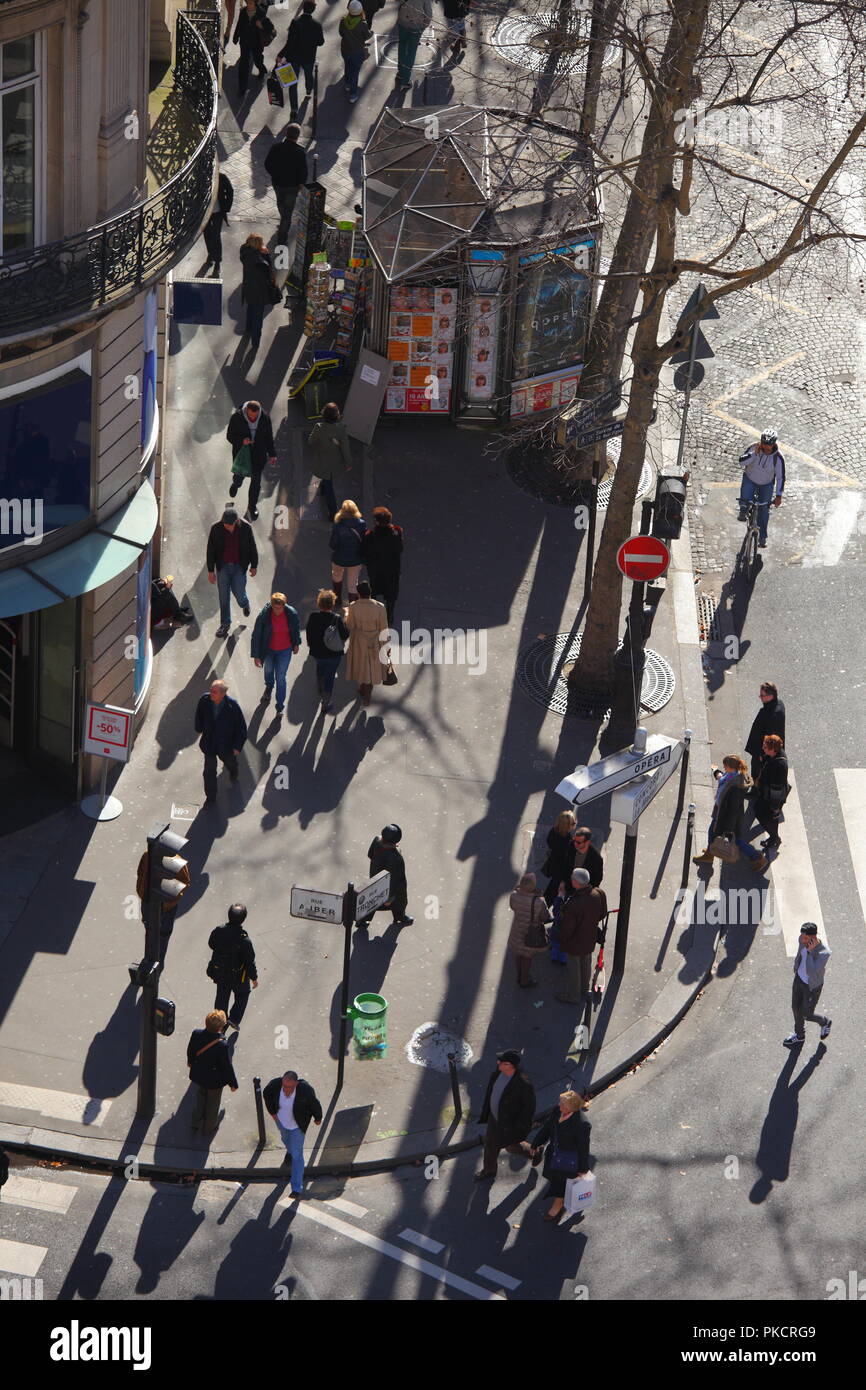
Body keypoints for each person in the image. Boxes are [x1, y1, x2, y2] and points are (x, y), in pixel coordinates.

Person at [693, 755, 767, 872]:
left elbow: (732, 808)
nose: (724, 767)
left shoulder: (736, 787)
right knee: (714, 833)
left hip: (726, 817)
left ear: (731, 767)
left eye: (725, 766)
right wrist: (717, 773)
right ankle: (709, 853)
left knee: (735, 840)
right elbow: (724, 779)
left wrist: (728, 826)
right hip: (721, 812)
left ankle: (757, 857)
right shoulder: (733, 776)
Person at [529, 1091, 591, 1222]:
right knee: (555, 1178)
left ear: (571, 1107)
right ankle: (561, 1198)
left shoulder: (582, 1124)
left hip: (569, 1159)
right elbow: (547, 1128)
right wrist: (536, 1143)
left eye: (562, 1104)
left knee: (561, 1181)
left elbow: (583, 1148)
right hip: (554, 1154)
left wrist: (583, 1168)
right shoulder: (557, 1111)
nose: (559, 1105)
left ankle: (558, 1204)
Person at [474, 1051, 536, 1181]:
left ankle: (534, 1152)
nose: (498, 1063)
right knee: (491, 1145)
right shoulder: (497, 1074)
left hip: (509, 1124)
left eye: (501, 1062)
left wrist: (519, 1128)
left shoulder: (523, 1084)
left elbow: (528, 1109)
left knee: (511, 1146)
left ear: (509, 1065)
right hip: (495, 1118)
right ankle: (489, 1170)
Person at [263, 1070, 323, 1195]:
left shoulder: (305, 1090)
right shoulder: (275, 1085)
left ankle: (296, 1187)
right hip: (282, 1122)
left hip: (297, 1126)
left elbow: (315, 1105)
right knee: (285, 1139)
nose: (285, 1089)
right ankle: (289, 1151)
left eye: (289, 1087)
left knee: (297, 1155)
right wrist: (273, 1113)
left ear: (296, 1084)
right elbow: (266, 1094)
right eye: (284, 1086)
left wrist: (318, 1118)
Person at [206, 505, 258, 638]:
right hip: (222, 567)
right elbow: (211, 550)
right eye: (225, 524)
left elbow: (252, 546)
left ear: (236, 522)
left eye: (229, 525)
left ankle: (244, 603)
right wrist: (211, 570)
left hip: (239, 567)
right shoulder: (216, 528)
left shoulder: (246, 528)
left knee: (239, 593)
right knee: (224, 597)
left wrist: (254, 565)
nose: (227, 527)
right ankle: (225, 624)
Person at [556, 869, 607, 1004]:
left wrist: (562, 938)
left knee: (574, 968)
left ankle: (573, 996)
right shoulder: (598, 894)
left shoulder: (574, 903)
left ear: (576, 882)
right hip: (589, 936)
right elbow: (602, 914)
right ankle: (585, 989)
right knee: (586, 962)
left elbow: (568, 927)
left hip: (575, 941)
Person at [207, 904, 259, 1033]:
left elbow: (211, 944)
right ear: (243, 919)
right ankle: (234, 1019)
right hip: (239, 977)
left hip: (220, 973)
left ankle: (219, 1026)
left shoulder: (219, 930)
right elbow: (249, 962)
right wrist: (254, 977)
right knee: (243, 995)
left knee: (221, 1000)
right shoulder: (244, 940)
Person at [194, 679, 248, 804]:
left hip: (226, 745)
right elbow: (199, 715)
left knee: (230, 763)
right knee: (209, 772)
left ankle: (233, 771)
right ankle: (211, 798)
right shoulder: (204, 700)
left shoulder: (233, 707)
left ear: (223, 694)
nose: (211, 693)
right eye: (211, 690)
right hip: (210, 744)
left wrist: (237, 747)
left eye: (215, 692)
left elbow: (241, 728)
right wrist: (199, 728)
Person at [187, 1010, 238, 1137]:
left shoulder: (196, 1034)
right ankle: (208, 1128)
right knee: (213, 1104)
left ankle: (195, 1122)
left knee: (200, 1097)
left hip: (199, 1074)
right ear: (221, 1027)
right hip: (215, 1080)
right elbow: (227, 1066)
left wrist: (190, 1061)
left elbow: (190, 1050)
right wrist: (233, 1083)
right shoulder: (222, 1045)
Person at [226, 397, 276, 521]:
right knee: (239, 475)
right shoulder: (236, 418)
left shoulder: (264, 418)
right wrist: (242, 441)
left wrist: (272, 454)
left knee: (256, 483)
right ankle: (236, 484)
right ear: (246, 410)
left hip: (259, 456)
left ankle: (251, 506)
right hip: (243, 455)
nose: (253, 418)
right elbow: (230, 436)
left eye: (256, 416)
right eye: (251, 416)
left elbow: (268, 437)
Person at [251, 592, 301, 714]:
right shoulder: (264, 616)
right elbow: (256, 635)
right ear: (271, 605)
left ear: (284, 606)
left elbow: (295, 629)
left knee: (281, 677)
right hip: (268, 650)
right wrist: (256, 655)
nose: (277, 611)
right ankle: (269, 687)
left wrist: (296, 643)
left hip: (285, 651)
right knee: (268, 671)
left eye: (280, 608)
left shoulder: (291, 614)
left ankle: (280, 706)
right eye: (275, 608)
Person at [784, 925, 831, 1048]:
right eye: (802, 936)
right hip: (798, 979)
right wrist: (796, 967)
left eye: (806, 938)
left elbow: (811, 972)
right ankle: (799, 1035)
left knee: (807, 1014)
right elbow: (800, 954)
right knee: (795, 1007)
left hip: (811, 987)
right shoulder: (802, 939)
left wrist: (810, 952)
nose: (802, 940)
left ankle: (825, 1022)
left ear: (814, 937)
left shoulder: (824, 953)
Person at [358, 824, 413, 927]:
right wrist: (390, 898)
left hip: (375, 877)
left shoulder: (376, 840)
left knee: (372, 900)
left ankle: (362, 920)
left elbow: (370, 854)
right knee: (400, 901)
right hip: (393, 886)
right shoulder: (394, 858)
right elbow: (394, 879)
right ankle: (400, 917)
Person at [738, 428, 784, 548]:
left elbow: (780, 478)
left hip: (766, 484)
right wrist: (754, 455)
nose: (766, 447)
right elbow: (741, 462)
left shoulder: (778, 458)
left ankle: (762, 537)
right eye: (764, 444)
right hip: (750, 479)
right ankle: (743, 510)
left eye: (768, 445)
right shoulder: (754, 448)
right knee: (745, 500)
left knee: (764, 510)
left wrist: (778, 496)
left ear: (774, 444)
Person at [345, 580, 388, 706]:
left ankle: (362, 688)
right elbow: (384, 628)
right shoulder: (380, 607)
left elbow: (350, 625)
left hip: (359, 640)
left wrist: (347, 614)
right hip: (375, 640)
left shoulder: (353, 606)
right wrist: (386, 645)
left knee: (361, 665)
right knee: (372, 666)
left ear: (358, 594)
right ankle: (367, 693)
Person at [306, 588, 349, 713]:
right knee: (330, 676)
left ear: (319, 603)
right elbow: (345, 635)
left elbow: (309, 634)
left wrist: (312, 646)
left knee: (320, 668)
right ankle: (326, 702)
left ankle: (320, 685)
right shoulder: (336, 618)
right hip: (333, 654)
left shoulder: (313, 617)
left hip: (317, 653)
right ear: (332, 603)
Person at [264, 123, 308, 242]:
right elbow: (303, 171)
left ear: (286, 134)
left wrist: (275, 174)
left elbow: (267, 164)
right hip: (292, 186)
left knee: (281, 204)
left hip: (278, 184)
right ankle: (282, 236)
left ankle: (283, 224)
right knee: (287, 212)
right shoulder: (300, 152)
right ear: (297, 136)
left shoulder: (276, 147)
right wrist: (301, 184)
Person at [508, 871, 552, 988]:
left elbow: (513, 907)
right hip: (531, 932)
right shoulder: (538, 902)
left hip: (517, 929)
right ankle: (524, 979)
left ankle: (519, 975)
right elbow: (545, 917)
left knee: (519, 953)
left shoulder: (514, 895)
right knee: (527, 956)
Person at [360, 506, 403, 625]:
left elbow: (364, 551)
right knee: (391, 596)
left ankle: (374, 616)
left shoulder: (370, 535)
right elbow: (400, 549)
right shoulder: (396, 532)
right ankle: (389, 618)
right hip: (392, 570)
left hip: (376, 571)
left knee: (374, 592)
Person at [277, 0, 324, 108]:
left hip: (294, 58)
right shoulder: (317, 25)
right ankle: (309, 88)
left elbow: (290, 43)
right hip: (308, 57)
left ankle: (294, 109)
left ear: (303, 8)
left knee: (293, 84)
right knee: (308, 74)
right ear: (313, 10)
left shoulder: (295, 23)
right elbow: (321, 42)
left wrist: (281, 54)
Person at [309, 403, 352, 521]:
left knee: (327, 482)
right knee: (329, 483)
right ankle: (333, 513)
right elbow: (345, 449)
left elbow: (311, 441)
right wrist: (348, 463)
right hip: (335, 462)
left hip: (322, 460)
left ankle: (332, 509)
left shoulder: (318, 427)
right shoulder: (341, 429)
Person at [239, 234, 278, 357]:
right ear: (260, 245)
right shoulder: (261, 260)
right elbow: (269, 272)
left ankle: (248, 328)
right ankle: (255, 342)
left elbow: (244, 247)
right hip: (260, 291)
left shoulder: (244, 253)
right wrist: (266, 254)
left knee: (250, 308)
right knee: (258, 316)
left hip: (248, 288)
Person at [752, 734, 790, 853]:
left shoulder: (780, 764)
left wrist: (774, 805)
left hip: (772, 798)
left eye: (765, 747)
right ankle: (774, 837)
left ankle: (775, 838)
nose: (763, 748)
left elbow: (776, 785)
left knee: (765, 816)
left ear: (773, 750)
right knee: (764, 815)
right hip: (767, 794)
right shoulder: (775, 755)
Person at [745, 681, 786, 783]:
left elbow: (771, 736)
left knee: (758, 770)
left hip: (763, 750)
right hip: (763, 748)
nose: (761, 698)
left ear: (771, 696)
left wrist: (763, 753)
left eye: (762, 695)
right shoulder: (777, 704)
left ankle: (757, 790)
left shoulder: (773, 714)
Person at [234, 0, 274, 97]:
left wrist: (261, 26)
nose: (249, 5)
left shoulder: (261, 13)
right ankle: (242, 89)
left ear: (255, 4)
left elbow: (270, 27)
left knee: (257, 59)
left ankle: (262, 69)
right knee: (244, 65)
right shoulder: (243, 11)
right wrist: (236, 36)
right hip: (245, 42)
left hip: (256, 42)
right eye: (247, 3)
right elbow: (239, 24)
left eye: (251, 3)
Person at [330, 499, 366, 604]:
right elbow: (363, 541)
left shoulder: (338, 526)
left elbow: (332, 545)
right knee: (352, 584)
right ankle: (352, 606)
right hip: (355, 559)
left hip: (339, 558)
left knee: (337, 577)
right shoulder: (362, 524)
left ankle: (337, 599)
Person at [339, 1, 372, 103]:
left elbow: (341, 33)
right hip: (357, 51)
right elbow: (367, 36)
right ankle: (353, 94)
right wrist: (371, 33)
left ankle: (347, 84)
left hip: (345, 49)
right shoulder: (362, 24)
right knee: (355, 72)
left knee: (348, 66)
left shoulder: (343, 21)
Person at [202, 171, 234, 277]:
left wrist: (226, 207)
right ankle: (211, 254)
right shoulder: (201, 176)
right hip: (205, 213)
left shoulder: (221, 177)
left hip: (217, 212)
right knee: (207, 235)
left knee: (215, 236)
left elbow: (230, 191)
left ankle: (217, 263)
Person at [395, 0, 432, 89]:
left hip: (403, 23)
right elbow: (429, 14)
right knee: (411, 52)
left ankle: (400, 72)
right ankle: (405, 79)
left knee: (402, 47)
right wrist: (424, 26)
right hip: (416, 26)